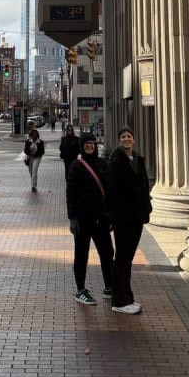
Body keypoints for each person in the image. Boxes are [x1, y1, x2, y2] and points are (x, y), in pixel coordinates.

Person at [106, 126, 152, 314]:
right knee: (122, 258)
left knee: (128, 259)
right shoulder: (116, 162)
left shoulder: (138, 160)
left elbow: (144, 186)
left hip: (137, 217)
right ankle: (119, 300)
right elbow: (111, 191)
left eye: (129, 137)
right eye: (123, 137)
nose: (126, 139)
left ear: (134, 140)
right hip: (123, 218)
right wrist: (114, 215)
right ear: (119, 140)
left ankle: (127, 297)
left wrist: (147, 208)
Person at [66, 131, 114, 305]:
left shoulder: (102, 164)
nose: (90, 146)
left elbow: (108, 192)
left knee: (107, 253)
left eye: (92, 143)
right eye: (86, 143)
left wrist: (109, 216)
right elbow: (70, 193)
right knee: (81, 254)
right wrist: (73, 218)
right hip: (83, 219)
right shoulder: (76, 166)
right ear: (82, 145)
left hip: (101, 218)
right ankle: (81, 290)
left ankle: (109, 286)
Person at [24, 128, 45, 192]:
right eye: (33, 134)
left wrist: (36, 154)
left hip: (37, 158)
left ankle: (33, 186)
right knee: (31, 171)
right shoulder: (28, 141)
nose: (34, 136)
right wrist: (30, 153)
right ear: (31, 135)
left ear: (37, 135)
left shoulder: (40, 142)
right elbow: (25, 150)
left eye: (35, 134)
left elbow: (42, 151)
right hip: (30, 157)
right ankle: (34, 182)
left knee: (34, 170)